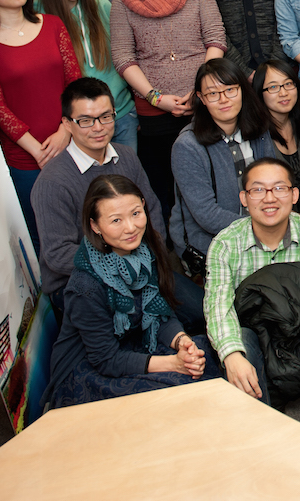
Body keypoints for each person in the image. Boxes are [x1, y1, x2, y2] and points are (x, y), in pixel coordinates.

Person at [204, 157, 300, 444]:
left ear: (295, 195)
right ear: (244, 198)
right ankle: (262, 440)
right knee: (236, 340)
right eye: (258, 190)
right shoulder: (226, 243)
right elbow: (217, 306)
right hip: (261, 340)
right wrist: (231, 355)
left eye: (279, 188)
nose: (269, 198)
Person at [31, 78, 206, 328]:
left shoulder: (125, 156)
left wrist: (144, 257)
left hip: (142, 267)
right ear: (67, 125)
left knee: (203, 312)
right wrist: (122, 262)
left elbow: (152, 209)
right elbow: (58, 255)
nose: (98, 127)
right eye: (86, 121)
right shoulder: (52, 182)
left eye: (106, 117)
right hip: (85, 284)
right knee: (154, 331)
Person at [47, 175, 214, 408]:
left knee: (211, 356)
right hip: (89, 370)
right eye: (116, 220)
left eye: (136, 213)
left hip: (134, 344)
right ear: (95, 226)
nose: (130, 227)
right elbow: (106, 359)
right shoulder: (85, 286)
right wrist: (173, 363)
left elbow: (160, 315)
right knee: (182, 390)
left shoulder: (143, 254)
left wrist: (182, 343)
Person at [110, 0, 227, 218]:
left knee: (215, 180)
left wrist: (201, 89)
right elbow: (123, 57)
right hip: (154, 112)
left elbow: (215, 38)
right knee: (169, 189)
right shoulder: (122, 0)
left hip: (204, 102)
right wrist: (155, 97)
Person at [0, 0, 81, 252]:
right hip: (26, 159)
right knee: (47, 238)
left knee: (88, 224)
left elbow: (75, 82)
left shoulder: (53, 24)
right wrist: (38, 150)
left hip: (73, 143)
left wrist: (65, 132)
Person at [170, 58, 276, 266]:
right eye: (213, 94)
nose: (223, 99)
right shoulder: (188, 146)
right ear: (201, 98)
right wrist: (264, 227)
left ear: (242, 91)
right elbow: (207, 215)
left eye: (230, 90)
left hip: (262, 230)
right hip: (212, 243)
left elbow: (274, 182)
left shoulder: (258, 129)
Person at [35, 0, 136, 151]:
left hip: (121, 114)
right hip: (79, 124)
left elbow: (125, 55)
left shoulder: (101, 5)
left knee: (127, 178)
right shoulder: (37, 15)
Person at [252, 59, 300, 217]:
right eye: (273, 87)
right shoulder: (256, 138)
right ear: (259, 93)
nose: (283, 93)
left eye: (288, 84)